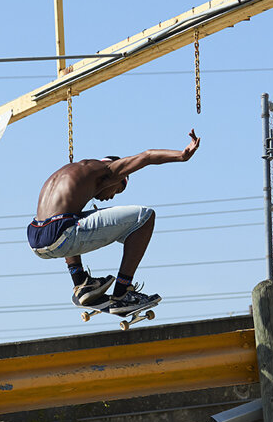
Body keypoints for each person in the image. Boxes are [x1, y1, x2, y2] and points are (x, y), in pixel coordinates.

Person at [26, 130, 202, 309]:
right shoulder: (107, 170)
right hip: (60, 234)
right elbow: (146, 156)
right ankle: (122, 293)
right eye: (117, 190)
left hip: (35, 239)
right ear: (116, 179)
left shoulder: (74, 171)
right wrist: (181, 156)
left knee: (72, 218)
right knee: (146, 217)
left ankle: (81, 282)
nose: (111, 197)